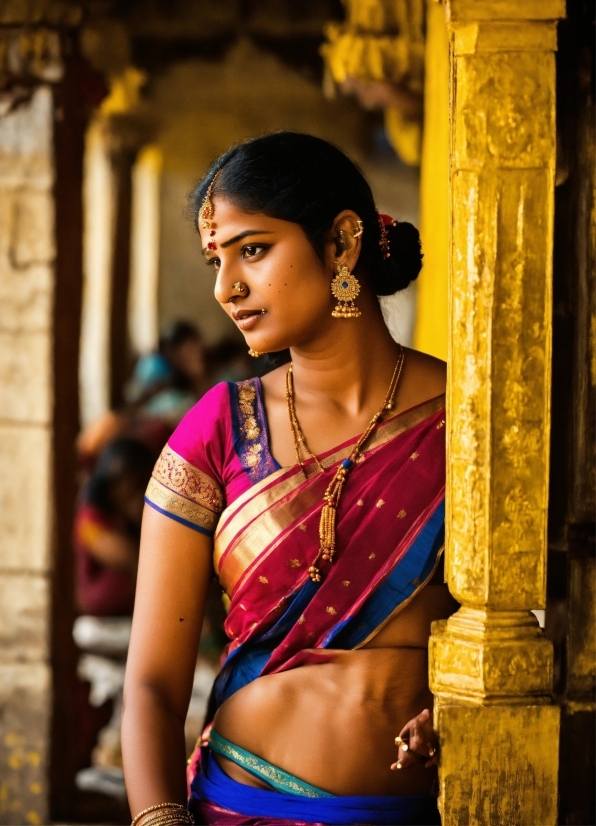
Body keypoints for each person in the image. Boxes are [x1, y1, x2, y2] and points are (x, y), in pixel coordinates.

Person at [122, 132, 457, 826]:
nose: (226, 288)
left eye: (253, 249)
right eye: (217, 259)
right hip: (238, 804)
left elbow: (540, 621)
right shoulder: (218, 429)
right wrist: (159, 818)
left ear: (340, 244)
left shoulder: (472, 421)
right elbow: (153, 685)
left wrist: (466, 713)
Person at [75, 437, 156, 617]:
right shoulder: (89, 520)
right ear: (114, 484)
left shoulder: (122, 517)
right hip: (99, 624)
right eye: (135, 485)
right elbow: (133, 560)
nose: (143, 493)